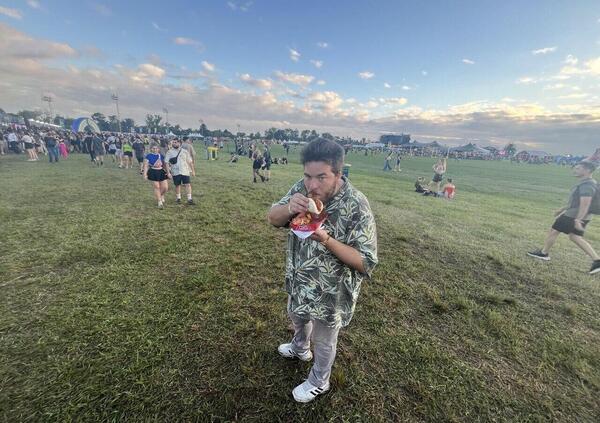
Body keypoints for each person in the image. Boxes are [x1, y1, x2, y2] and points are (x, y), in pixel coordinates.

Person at [267, 138, 378, 403]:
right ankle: (300, 348)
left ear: (338, 174)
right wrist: (288, 208)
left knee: (325, 338)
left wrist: (326, 239)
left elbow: (365, 261)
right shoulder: (302, 190)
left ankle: (319, 380)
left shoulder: (357, 205)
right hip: (300, 278)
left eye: (321, 177)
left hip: (331, 291)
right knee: (297, 315)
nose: (312, 185)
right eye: (307, 176)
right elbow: (273, 218)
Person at [528, 161, 600, 274]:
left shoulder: (587, 185)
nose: (574, 170)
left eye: (578, 168)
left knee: (554, 231)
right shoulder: (589, 183)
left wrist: (578, 219)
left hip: (574, 216)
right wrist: (562, 209)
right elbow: (575, 201)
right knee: (575, 237)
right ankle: (597, 261)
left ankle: (544, 253)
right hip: (579, 215)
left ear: (587, 171)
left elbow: (585, 203)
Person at [165, 138, 195, 205]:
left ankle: (189, 199)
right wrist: (168, 172)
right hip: (175, 171)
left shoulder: (184, 151)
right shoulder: (169, 152)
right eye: (173, 142)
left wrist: (193, 171)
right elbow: (166, 163)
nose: (174, 143)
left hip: (185, 170)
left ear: (179, 143)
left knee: (188, 184)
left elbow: (190, 162)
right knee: (177, 185)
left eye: (175, 142)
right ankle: (178, 198)